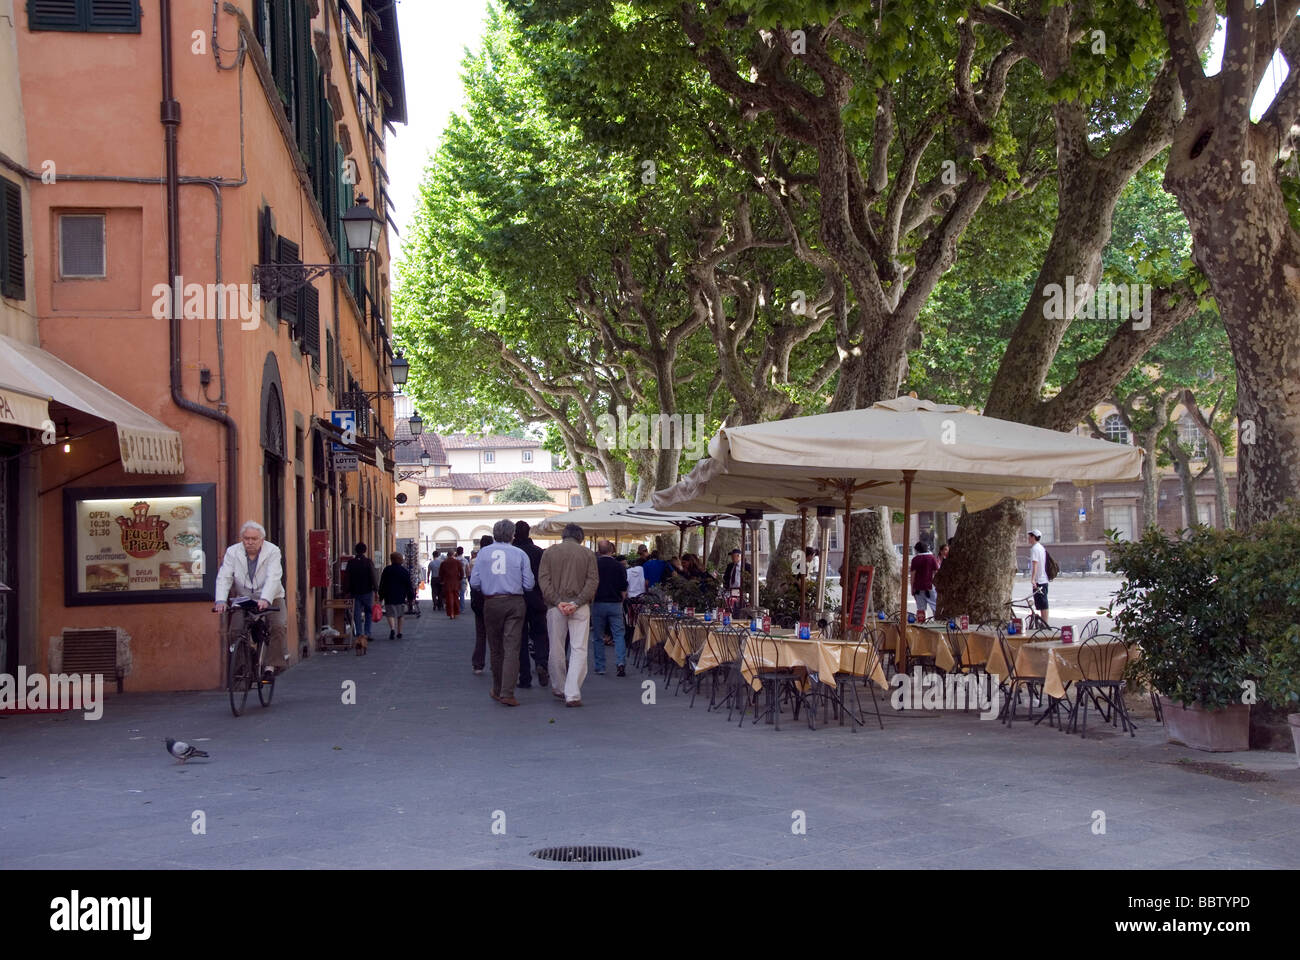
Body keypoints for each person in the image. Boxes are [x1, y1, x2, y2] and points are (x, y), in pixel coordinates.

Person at [472, 519, 535, 707]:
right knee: (512, 648)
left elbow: (474, 583)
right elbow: (529, 584)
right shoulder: (520, 554)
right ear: (512, 535)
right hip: (515, 602)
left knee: (496, 647)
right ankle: (508, 693)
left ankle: (497, 688)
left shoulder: (483, 553)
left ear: (494, 534)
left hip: (492, 602)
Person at [213, 521, 287, 680]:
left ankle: (270, 666)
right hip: (245, 598)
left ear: (262, 539)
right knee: (235, 631)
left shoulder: (273, 551)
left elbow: (273, 577)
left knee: (278, 626)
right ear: (242, 538)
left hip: (273, 596)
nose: (250, 542)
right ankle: (244, 667)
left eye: (254, 538)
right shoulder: (232, 552)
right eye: (246, 538)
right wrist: (220, 600)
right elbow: (224, 576)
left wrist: (266, 598)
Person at [539, 523, 599, 707]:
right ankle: (572, 693)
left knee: (556, 648)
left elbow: (543, 580)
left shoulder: (549, 553)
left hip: (555, 607)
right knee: (579, 648)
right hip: (579, 606)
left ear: (563, 535)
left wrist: (557, 601)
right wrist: (577, 602)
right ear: (580, 537)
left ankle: (559, 686)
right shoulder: (588, 554)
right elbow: (592, 581)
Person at [513, 520, 549, 690]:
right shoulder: (538, 552)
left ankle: (525, 677)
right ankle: (541, 662)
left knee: (520, 638)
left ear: (514, 533)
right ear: (529, 533)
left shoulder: (512, 552)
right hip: (537, 598)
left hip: (517, 599)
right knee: (540, 635)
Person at [590, 540, 629, 677]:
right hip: (615, 603)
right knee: (618, 635)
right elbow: (623, 587)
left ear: (599, 551)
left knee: (598, 636)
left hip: (598, 603)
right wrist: (621, 599)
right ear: (612, 550)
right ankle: (620, 663)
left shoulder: (594, 565)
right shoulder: (619, 566)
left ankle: (600, 666)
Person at [345, 542, 378, 644]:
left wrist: (346, 591)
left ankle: (359, 633)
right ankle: (367, 633)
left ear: (356, 550)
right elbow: (373, 576)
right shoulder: (368, 562)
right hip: (367, 591)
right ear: (365, 551)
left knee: (357, 614)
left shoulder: (351, 563)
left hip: (355, 592)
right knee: (368, 612)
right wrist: (376, 590)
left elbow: (347, 578)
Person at [470, 535, 493, 674]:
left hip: (480, 601)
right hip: (495, 599)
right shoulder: (496, 557)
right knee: (496, 634)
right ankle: (496, 663)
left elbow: (474, 582)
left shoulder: (479, 559)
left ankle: (478, 664)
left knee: (481, 634)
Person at [379, 551, 414, 639]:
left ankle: (392, 629)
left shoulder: (387, 570)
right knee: (400, 614)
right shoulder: (404, 571)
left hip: (389, 595)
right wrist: (411, 596)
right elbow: (408, 585)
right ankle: (399, 632)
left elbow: (382, 583)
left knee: (390, 614)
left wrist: (381, 595)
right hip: (401, 595)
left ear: (391, 560)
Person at [910, 541, 939, 618]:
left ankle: (922, 625)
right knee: (935, 607)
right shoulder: (932, 558)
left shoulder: (915, 559)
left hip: (918, 588)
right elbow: (936, 572)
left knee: (921, 610)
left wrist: (912, 588)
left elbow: (913, 575)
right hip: (930, 586)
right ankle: (938, 622)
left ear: (917, 550)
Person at [1028, 529, 1050, 626]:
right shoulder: (1041, 548)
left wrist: (1033, 579)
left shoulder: (1034, 549)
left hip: (1039, 580)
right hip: (1043, 579)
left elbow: (1035, 564)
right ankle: (1044, 623)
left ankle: (1045, 623)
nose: (1029, 538)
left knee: (1042, 603)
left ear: (1033, 537)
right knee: (1043, 603)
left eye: (1030, 536)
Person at [440, 544, 464, 618]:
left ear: (447, 555)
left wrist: (442, 580)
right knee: (456, 598)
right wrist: (459, 579)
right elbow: (462, 572)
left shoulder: (443, 563)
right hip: (456, 582)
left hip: (447, 583)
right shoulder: (457, 562)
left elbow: (440, 573)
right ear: (453, 554)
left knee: (449, 598)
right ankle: (456, 612)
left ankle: (451, 613)